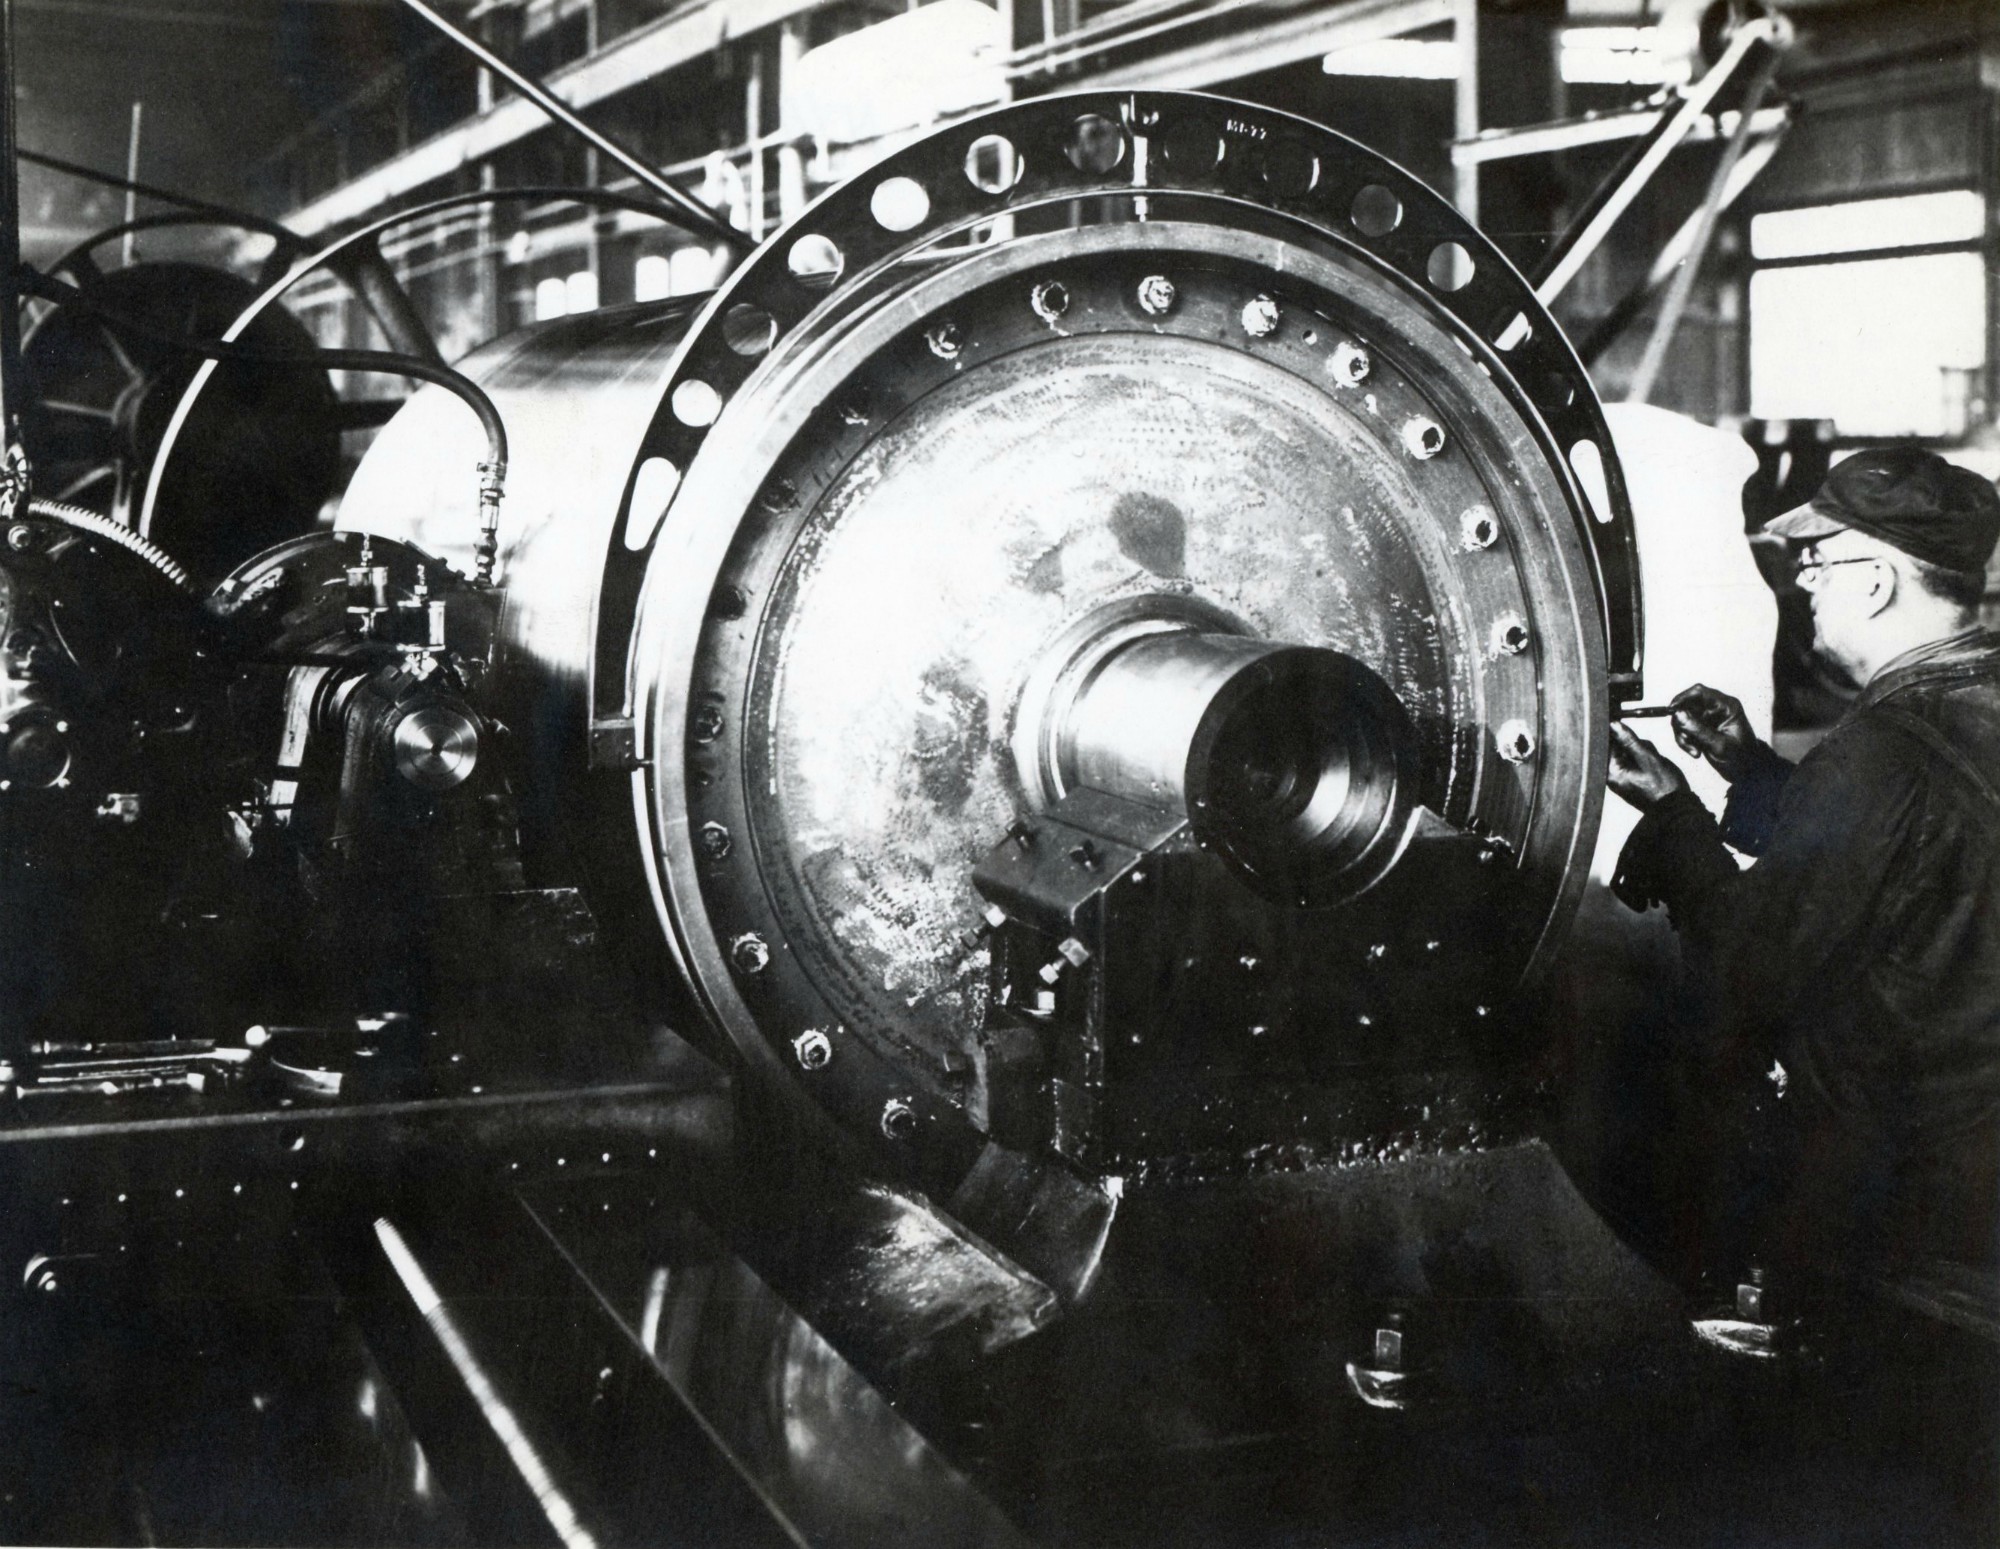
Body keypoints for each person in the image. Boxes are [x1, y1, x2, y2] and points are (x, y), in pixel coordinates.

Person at [1603, 446, 2000, 1304]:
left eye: (1817, 560)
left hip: (1906, 1205)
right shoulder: (1972, 698)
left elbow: (1744, 969)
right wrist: (1747, 767)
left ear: (1878, 582)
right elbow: (1908, 856)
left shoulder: (1877, 753)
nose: (1803, 584)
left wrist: (1670, 812)